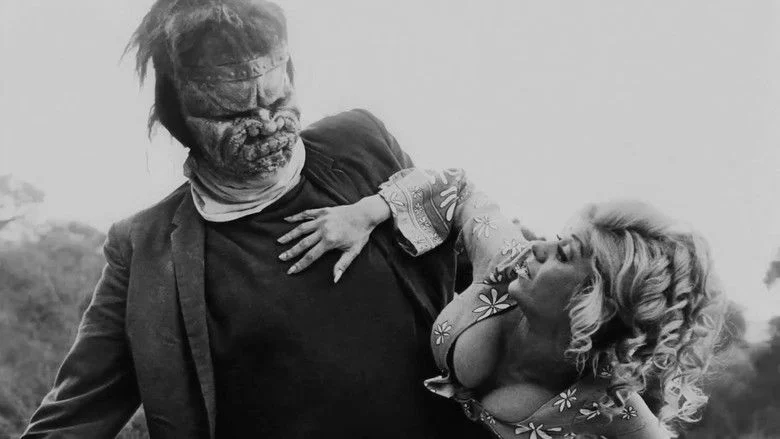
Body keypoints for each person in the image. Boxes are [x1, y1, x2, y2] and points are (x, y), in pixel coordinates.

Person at [21, 2, 490, 438]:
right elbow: (75, 415)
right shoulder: (146, 249)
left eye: (278, 100)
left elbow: (477, 271)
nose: (266, 123)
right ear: (178, 118)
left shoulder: (360, 144)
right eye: (235, 113)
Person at [278, 168, 726, 438]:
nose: (539, 247)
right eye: (558, 238)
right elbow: (459, 189)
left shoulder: (608, 404)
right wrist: (364, 213)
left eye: (563, 255)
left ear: (595, 304)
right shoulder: (508, 262)